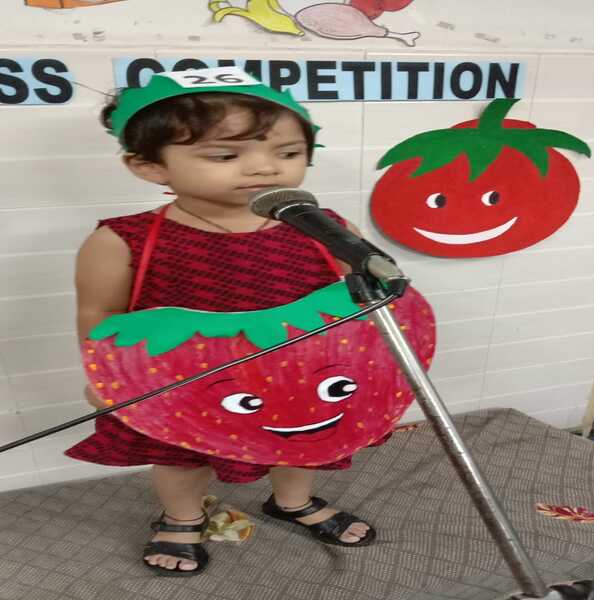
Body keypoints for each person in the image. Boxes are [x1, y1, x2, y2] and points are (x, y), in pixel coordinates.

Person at [65, 67, 385, 577]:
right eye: (226, 155)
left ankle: (293, 502)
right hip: (184, 382)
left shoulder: (326, 228)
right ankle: (182, 516)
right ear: (149, 166)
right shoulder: (121, 241)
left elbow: (359, 305)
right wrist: (109, 381)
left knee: (304, 442)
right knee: (180, 457)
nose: (265, 168)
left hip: (299, 375)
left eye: (287, 153)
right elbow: (99, 317)